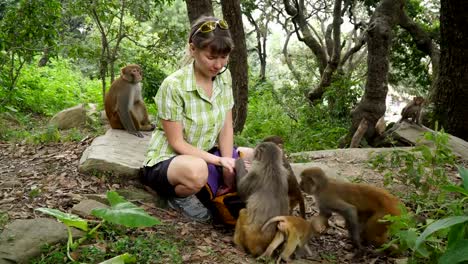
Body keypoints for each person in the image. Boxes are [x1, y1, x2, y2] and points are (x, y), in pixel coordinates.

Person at [141, 16, 253, 223]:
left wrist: (227, 167)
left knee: (253, 157)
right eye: (211, 57)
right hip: (170, 160)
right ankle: (177, 197)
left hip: (206, 153)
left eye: (224, 57)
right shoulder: (173, 85)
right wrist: (220, 161)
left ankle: (220, 191)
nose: (218, 65)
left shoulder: (224, 77)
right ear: (193, 49)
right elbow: (177, 143)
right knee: (197, 170)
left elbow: (226, 126)